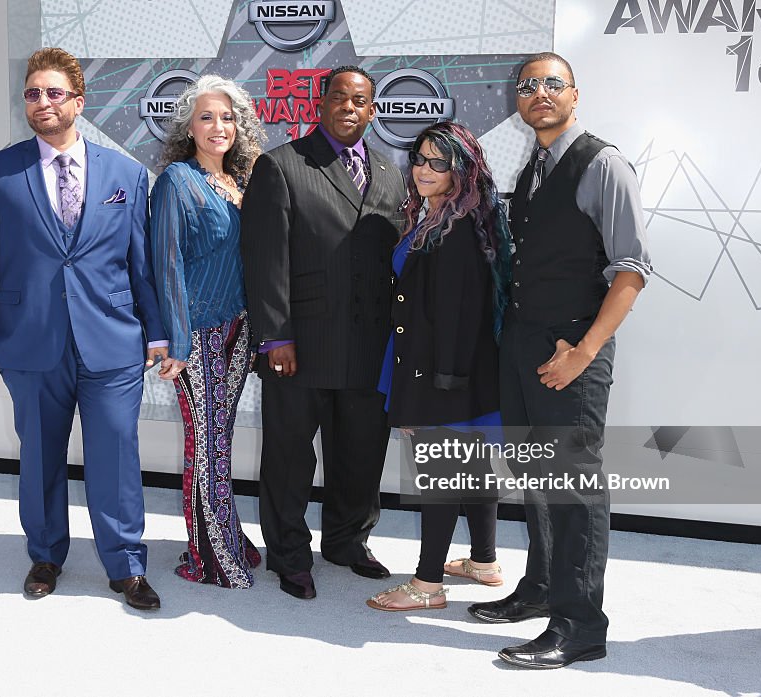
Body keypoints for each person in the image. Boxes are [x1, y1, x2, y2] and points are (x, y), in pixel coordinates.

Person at [0, 47, 168, 611]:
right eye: (33, 92)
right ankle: (45, 555)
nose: (42, 101)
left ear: (79, 100)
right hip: (28, 341)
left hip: (113, 340)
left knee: (116, 455)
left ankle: (125, 566)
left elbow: (140, 263)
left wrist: (157, 333)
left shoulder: (125, 174)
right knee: (41, 455)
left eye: (54, 92)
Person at [466, 52, 652, 668]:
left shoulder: (602, 163)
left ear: (575, 94)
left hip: (575, 348)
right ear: (518, 101)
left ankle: (579, 625)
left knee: (573, 486)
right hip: (525, 344)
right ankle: (542, 588)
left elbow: (631, 271)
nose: (539, 93)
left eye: (552, 83)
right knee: (536, 478)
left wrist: (586, 352)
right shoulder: (535, 165)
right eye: (528, 86)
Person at [240, 65, 406, 600]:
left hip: (369, 346)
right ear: (321, 102)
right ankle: (288, 554)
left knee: (359, 452)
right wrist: (274, 337)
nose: (349, 108)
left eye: (360, 101)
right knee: (290, 457)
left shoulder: (388, 172)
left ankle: (347, 541)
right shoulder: (282, 165)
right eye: (340, 97)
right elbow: (266, 261)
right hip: (300, 346)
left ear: (372, 110)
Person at [365, 121, 510, 612]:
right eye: (420, 159)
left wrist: (430, 394)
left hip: (441, 372)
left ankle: (426, 585)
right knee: (472, 467)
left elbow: (455, 315)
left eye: (438, 162)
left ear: (461, 170)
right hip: (458, 371)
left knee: (442, 473)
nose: (424, 169)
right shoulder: (448, 217)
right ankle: (484, 561)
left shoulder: (456, 229)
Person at [149, 75, 267, 588]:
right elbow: (166, 263)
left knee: (219, 438)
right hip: (195, 333)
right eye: (206, 117)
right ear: (188, 127)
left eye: (227, 117)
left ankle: (227, 536)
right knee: (206, 442)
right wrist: (174, 339)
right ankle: (212, 556)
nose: (219, 126)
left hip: (239, 330)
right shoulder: (177, 180)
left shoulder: (243, 183)